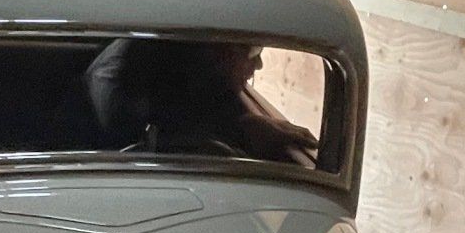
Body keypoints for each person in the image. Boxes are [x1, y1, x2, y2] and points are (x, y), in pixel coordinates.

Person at [84, 35, 314, 166]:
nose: (259, 64)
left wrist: (244, 125)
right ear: (217, 51)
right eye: (251, 51)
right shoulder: (123, 97)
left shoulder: (186, 74)